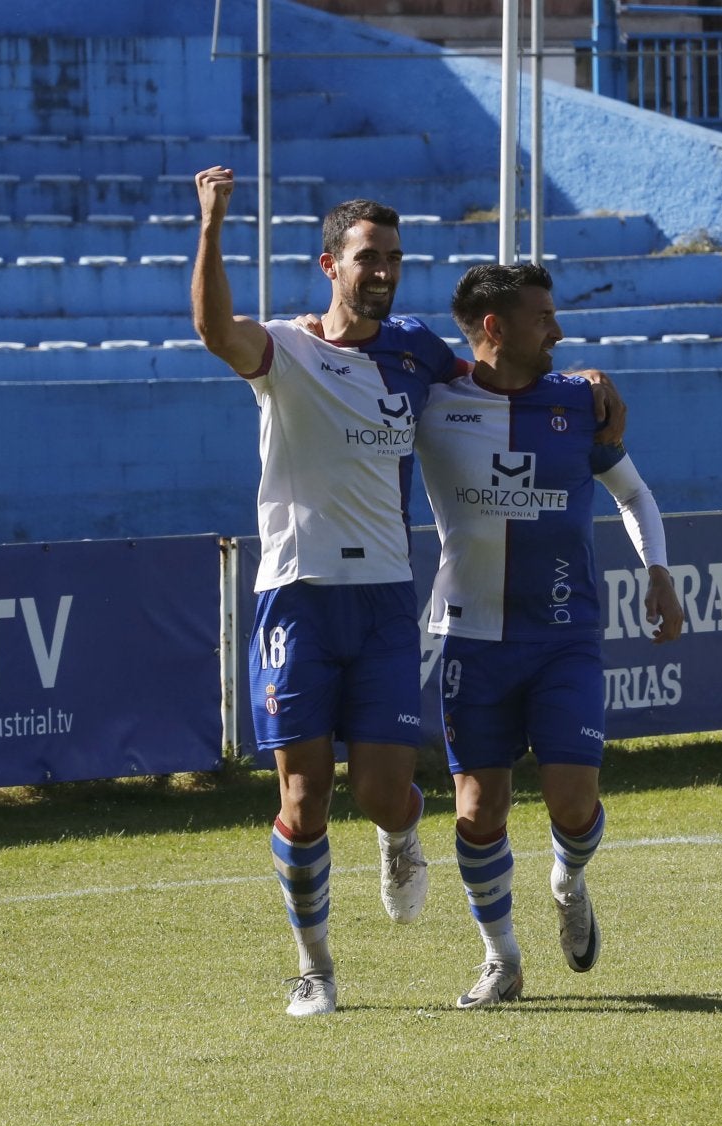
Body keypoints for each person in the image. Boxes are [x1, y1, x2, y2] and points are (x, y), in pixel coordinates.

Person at [190, 165, 450, 1018]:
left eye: (395, 259)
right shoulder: (287, 347)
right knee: (301, 804)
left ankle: (401, 835)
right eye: (369, 257)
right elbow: (212, 331)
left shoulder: (415, 350)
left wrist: (584, 385)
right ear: (329, 264)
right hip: (297, 597)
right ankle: (316, 969)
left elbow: (494, 380)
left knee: (380, 792)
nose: (384, 271)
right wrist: (213, 226)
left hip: (382, 595)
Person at [412, 261, 684, 1009]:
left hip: (565, 636)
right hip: (471, 636)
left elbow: (632, 494)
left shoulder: (577, 401)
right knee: (476, 811)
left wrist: (657, 569)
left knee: (572, 802)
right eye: (543, 319)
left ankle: (567, 881)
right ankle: (502, 959)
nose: (559, 331)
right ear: (495, 328)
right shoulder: (434, 404)